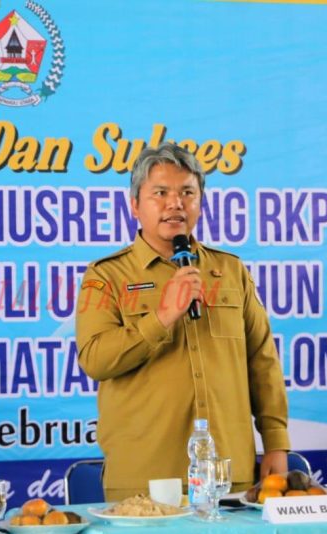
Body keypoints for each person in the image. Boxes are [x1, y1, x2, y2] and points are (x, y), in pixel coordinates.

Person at [75, 142, 290, 500]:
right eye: (160, 193)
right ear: (134, 205)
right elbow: (95, 360)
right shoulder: (106, 275)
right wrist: (163, 316)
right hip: (145, 478)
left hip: (228, 474)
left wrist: (276, 442)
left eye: (187, 193)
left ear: (199, 203)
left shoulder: (230, 270)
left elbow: (262, 361)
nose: (175, 203)